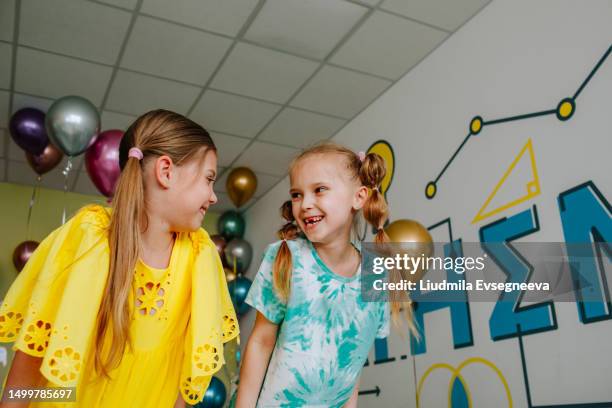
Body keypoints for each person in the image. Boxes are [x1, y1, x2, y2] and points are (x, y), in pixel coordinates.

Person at [0, 110, 239, 407]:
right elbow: (27, 374)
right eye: (209, 179)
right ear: (166, 171)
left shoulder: (200, 255)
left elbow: (182, 381)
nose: (214, 196)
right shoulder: (89, 236)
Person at [236, 142, 416, 407]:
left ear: (359, 197)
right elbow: (260, 342)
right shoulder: (286, 257)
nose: (305, 204)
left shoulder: (377, 274)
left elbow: (352, 364)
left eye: (319, 190)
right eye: (297, 195)